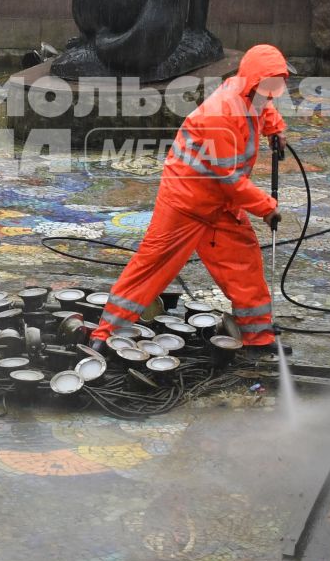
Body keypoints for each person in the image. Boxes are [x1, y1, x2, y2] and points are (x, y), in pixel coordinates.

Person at [92, 44, 290, 348]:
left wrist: (275, 130)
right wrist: (266, 208)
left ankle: (258, 338)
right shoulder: (219, 116)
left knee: (245, 266)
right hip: (184, 204)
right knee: (152, 268)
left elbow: (264, 110)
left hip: (220, 206)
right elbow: (230, 180)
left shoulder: (249, 93)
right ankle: (105, 336)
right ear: (252, 81)